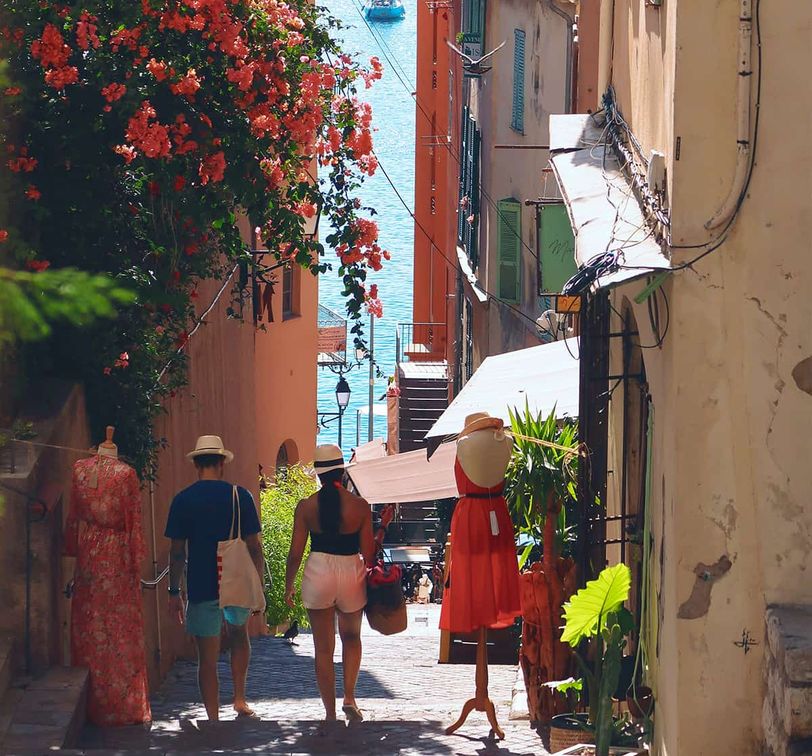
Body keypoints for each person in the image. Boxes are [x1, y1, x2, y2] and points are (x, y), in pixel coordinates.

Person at [165, 435, 265, 721]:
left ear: (196, 464)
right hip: (234, 582)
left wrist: (174, 591)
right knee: (238, 636)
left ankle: (212, 716)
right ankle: (239, 698)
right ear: (222, 463)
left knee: (206, 659)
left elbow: (176, 552)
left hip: (201, 584)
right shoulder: (240, 496)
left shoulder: (183, 500)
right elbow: (254, 546)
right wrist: (256, 584)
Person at [284, 444, 375, 725]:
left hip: (318, 571)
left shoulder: (306, 506)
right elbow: (369, 554)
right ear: (342, 470)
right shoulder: (360, 507)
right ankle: (349, 697)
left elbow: (296, 552)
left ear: (319, 475)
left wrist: (289, 586)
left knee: (323, 648)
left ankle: (329, 712)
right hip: (350, 571)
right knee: (352, 638)